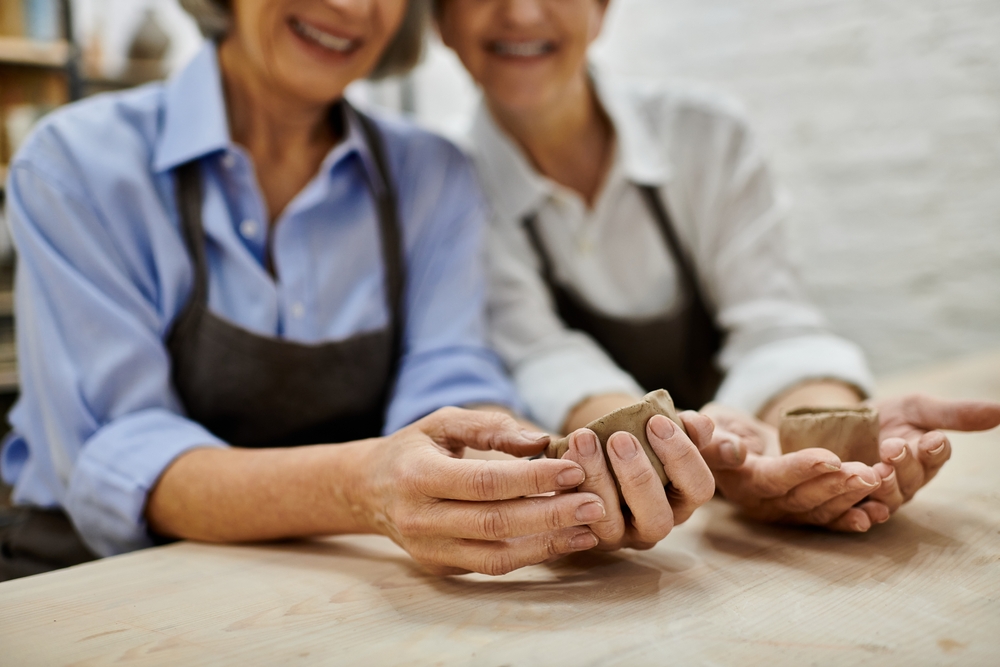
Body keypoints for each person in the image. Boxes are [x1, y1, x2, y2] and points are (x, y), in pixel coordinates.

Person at [0, 0, 719, 581]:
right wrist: (360, 486)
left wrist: (534, 487)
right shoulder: (78, 164)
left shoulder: (429, 176)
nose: (350, 6)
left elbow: (448, 377)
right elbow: (118, 451)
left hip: (320, 573)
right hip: (90, 577)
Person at [434, 0, 1000, 535]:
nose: (522, 12)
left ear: (602, 7)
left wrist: (818, 439)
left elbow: (775, 326)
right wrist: (664, 450)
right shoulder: (445, 186)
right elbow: (541, 354)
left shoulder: (704, 135)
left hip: (733, 513)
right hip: (627, 505)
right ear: (439, 20)